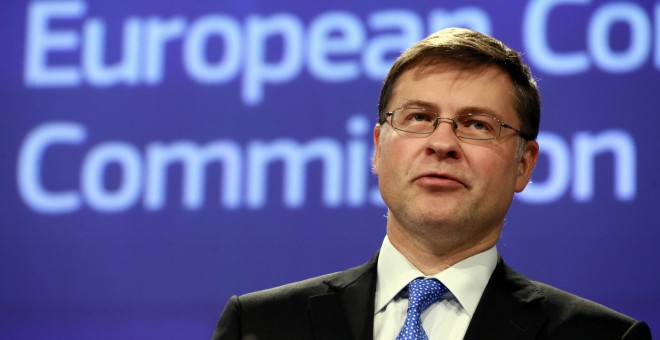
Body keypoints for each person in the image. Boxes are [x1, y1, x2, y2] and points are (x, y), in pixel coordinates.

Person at [211, 28, 652, 340]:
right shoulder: (258, 325)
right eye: (419, 117)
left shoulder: (602, 336)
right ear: (379, 146)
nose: (442, 143)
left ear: (524, 164)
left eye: (477, 124)